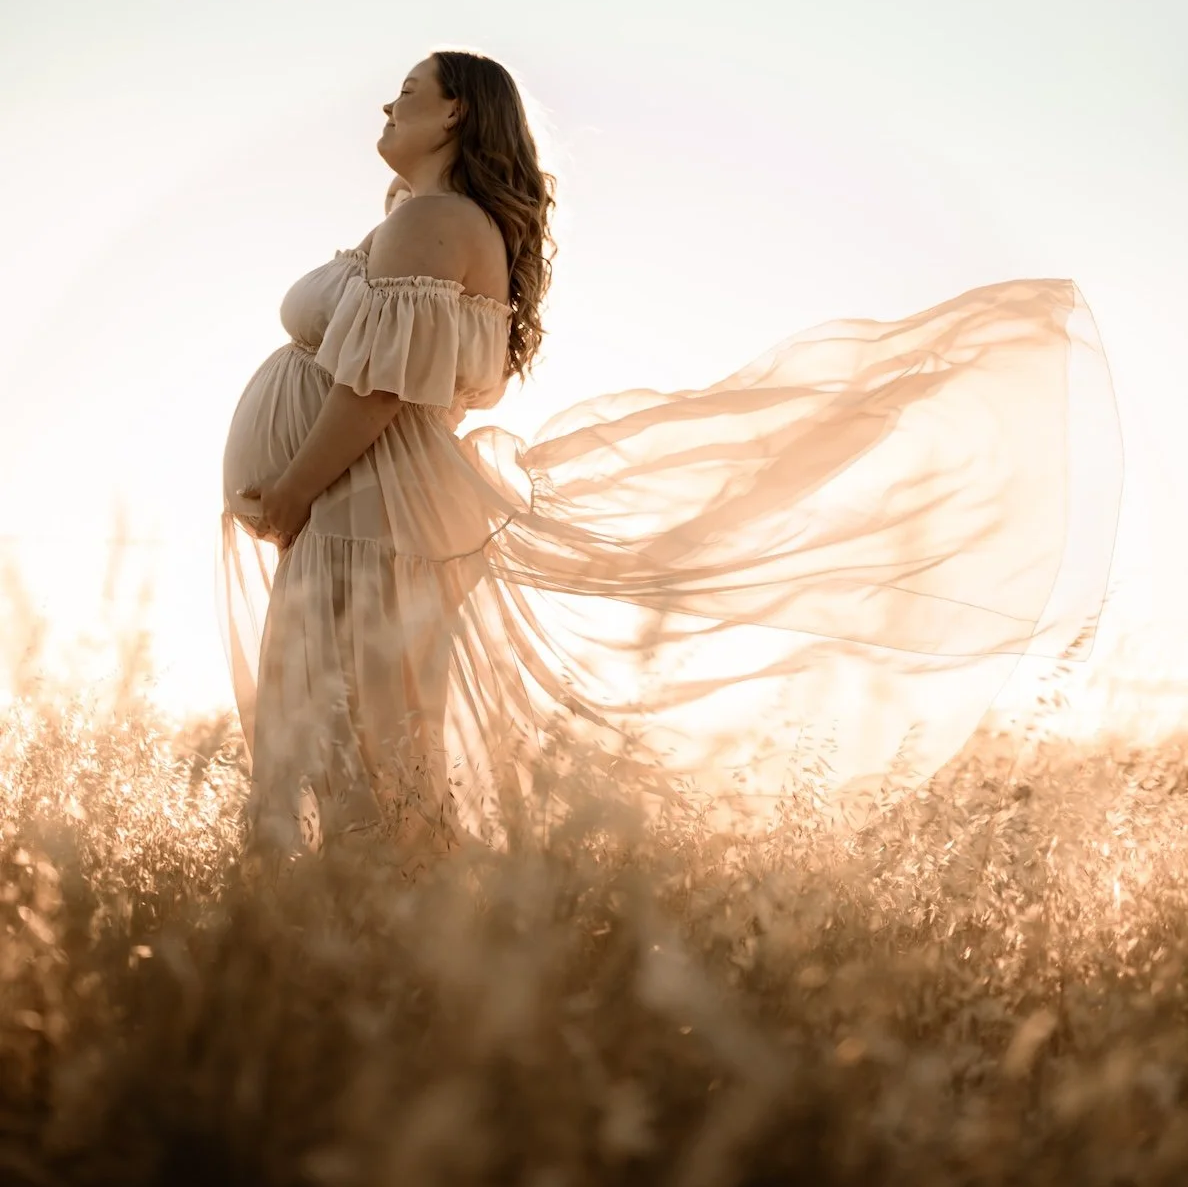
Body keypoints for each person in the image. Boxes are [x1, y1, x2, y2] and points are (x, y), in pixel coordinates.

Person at [222, 50, 1122, 865]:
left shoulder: (436, 221)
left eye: (409, 91)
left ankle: (374, 938)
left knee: (350, 744)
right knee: (363, 742)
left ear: (456, 111)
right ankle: (374, 938)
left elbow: (378, 389)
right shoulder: (423, 217)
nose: (387, 104)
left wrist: (295, 488)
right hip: (372, 504)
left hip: (365, 506)